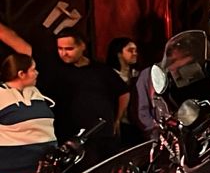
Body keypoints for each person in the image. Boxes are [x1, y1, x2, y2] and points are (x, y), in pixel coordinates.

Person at [0, 23, 127, 162]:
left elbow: (123, 92)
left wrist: (117, 119)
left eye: (69, 49)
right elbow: (16, 41)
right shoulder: (52, 65)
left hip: (104, 136)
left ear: (82, 46)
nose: (64, 53)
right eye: (60, 48)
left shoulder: (101, 69)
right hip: (71, 138)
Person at [0, 54, 56, 173]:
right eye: (33, 69)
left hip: (44, 164)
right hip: (15, 167)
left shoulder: (35, 92)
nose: (37, 73)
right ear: (21, 74)